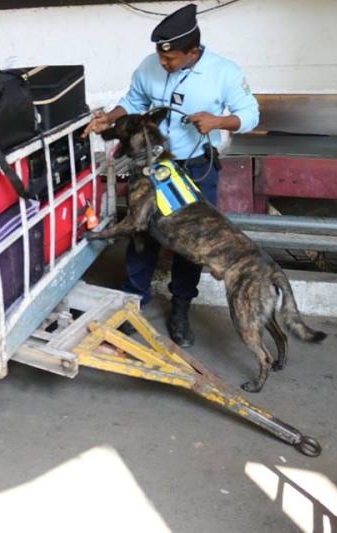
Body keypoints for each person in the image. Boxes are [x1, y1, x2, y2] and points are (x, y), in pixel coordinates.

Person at [83, 3, 259, 347]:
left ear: (192, 52)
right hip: (151, 167)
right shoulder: (151, 65)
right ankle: (133, 303)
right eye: (161, 57)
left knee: (189, 245)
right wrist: (111, 117)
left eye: (172, 59)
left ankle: (180, 308)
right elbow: (133, 100)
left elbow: (250, 114)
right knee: (141, 233)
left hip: (193, 168)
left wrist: (218, 121)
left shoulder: (224, 72)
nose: (163, 64)